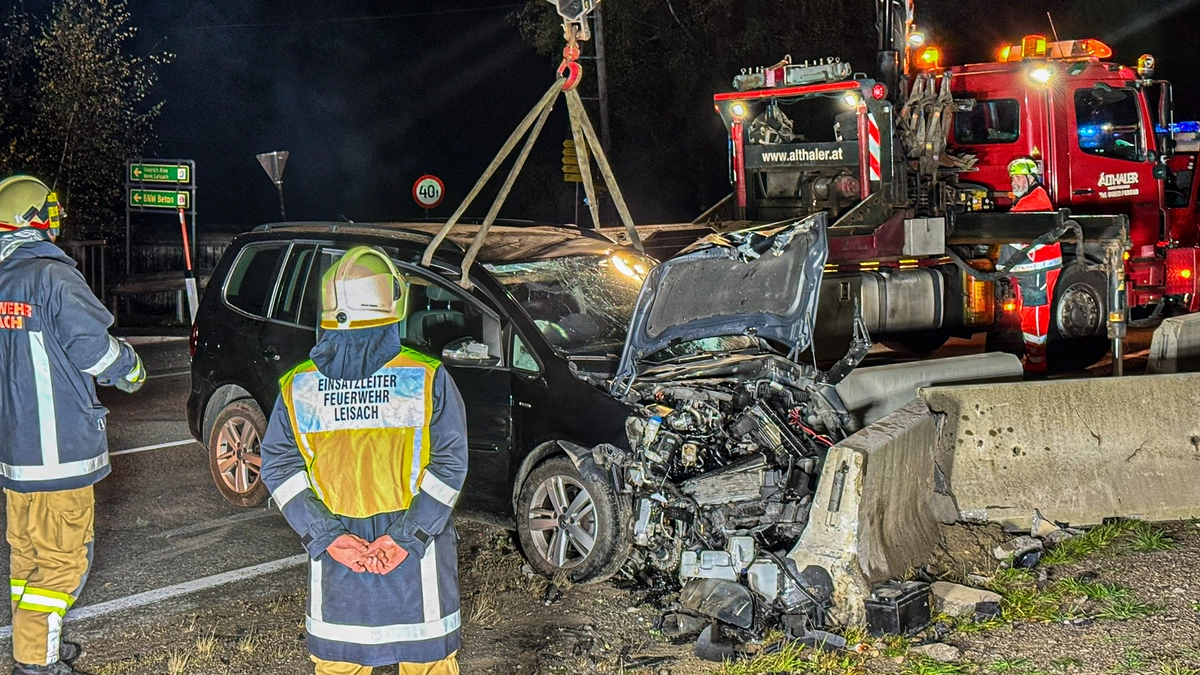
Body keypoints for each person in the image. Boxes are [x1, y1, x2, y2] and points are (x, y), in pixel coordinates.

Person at [261, 246, 467, 675]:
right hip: (417, 558)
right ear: (392, 300)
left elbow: (279, 468)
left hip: (340, 558)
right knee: (428, 663)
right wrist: (405, 538)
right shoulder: (427, 376)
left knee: (339, 662)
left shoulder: (297, 385)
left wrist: (329, 537)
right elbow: (449, 468)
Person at [0, 175, 146, 675]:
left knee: (26, 561)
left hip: (14, 459)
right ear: (34, 218)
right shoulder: (52, 277)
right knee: (61, 563)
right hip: (59, 453)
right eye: (51, 209)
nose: (57, 216)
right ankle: (35, 666)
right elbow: (97, 352)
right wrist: (130, 367)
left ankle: (35, 647)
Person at [1005, 157, 1062, 374]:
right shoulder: (1031, 198)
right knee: (1029, 312)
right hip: (1032, 269)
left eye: (1019, 177)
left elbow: (1011, 231)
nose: (1014, 182)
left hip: (1036, 269)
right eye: (1012, 178)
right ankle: (1033, 358)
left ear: (1031, 178)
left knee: (1034, 313)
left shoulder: (1032, 202)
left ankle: (1036, 362)